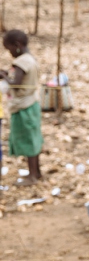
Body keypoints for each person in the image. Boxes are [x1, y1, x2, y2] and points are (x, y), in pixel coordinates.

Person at [0, 30, 42, 186]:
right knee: (34, 138)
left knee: (28, 140)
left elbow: (15, 83)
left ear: (17, 45)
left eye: (9, 48)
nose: (9, 52)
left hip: (23, 106)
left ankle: (32, 176)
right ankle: (36, 172)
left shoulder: (21, 62)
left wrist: (4, 76)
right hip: (32, 103)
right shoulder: (30, 59)